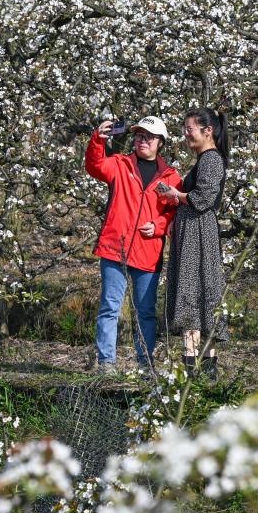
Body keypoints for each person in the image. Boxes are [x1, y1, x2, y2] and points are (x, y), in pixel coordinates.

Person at [84, 116, 181, 374]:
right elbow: (95, 166)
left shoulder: (171, 177)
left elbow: (175, 212)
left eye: (148, 137)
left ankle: (145, 365)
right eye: (139, 136)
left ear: (160, 142)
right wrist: (98, 139)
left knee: (146, 312)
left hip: (148, 252)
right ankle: (106, 363)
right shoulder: (120, 164)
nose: (142, 141)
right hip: (115, 248)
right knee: (109, 307)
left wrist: (159, 225)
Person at [160, 107, 229, 381]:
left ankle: (197, 375)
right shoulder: (205, 159)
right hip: (192, 232)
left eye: (190, 129)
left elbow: (202, 198)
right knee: (197, 292)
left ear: (207, 130)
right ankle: (201, 373)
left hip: (199, 234)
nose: (186, 134)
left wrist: (176, 194)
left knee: (195, 291)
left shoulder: (211, 160)